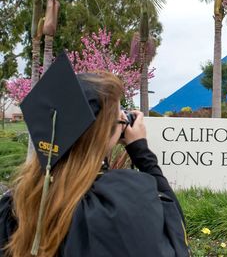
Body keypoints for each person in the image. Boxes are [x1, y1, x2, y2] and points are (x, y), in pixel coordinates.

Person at [0, 53, 189, 257]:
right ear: (104, 136)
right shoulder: (121, 202)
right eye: (120, 116)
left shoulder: (19, 201)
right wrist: (141, 152)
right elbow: (175, 233)